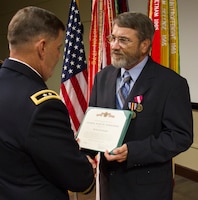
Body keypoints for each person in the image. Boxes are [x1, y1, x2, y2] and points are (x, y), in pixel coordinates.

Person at [86, 12, 193, 200]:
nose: (114, 46)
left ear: (144, 45)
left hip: (146, 188)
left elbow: (180, 137)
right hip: (109, 184)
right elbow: (95, 122)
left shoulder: (170, 84)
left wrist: (133, 151)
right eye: (113, 38)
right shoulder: (102, 77)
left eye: (124, 40)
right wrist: (84, 151)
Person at [0, 6, 95, 200]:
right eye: (58, 47)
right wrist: (86, 167)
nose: (60, 55)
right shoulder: (43, 106)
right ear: (42, 47)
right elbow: (78, 178)